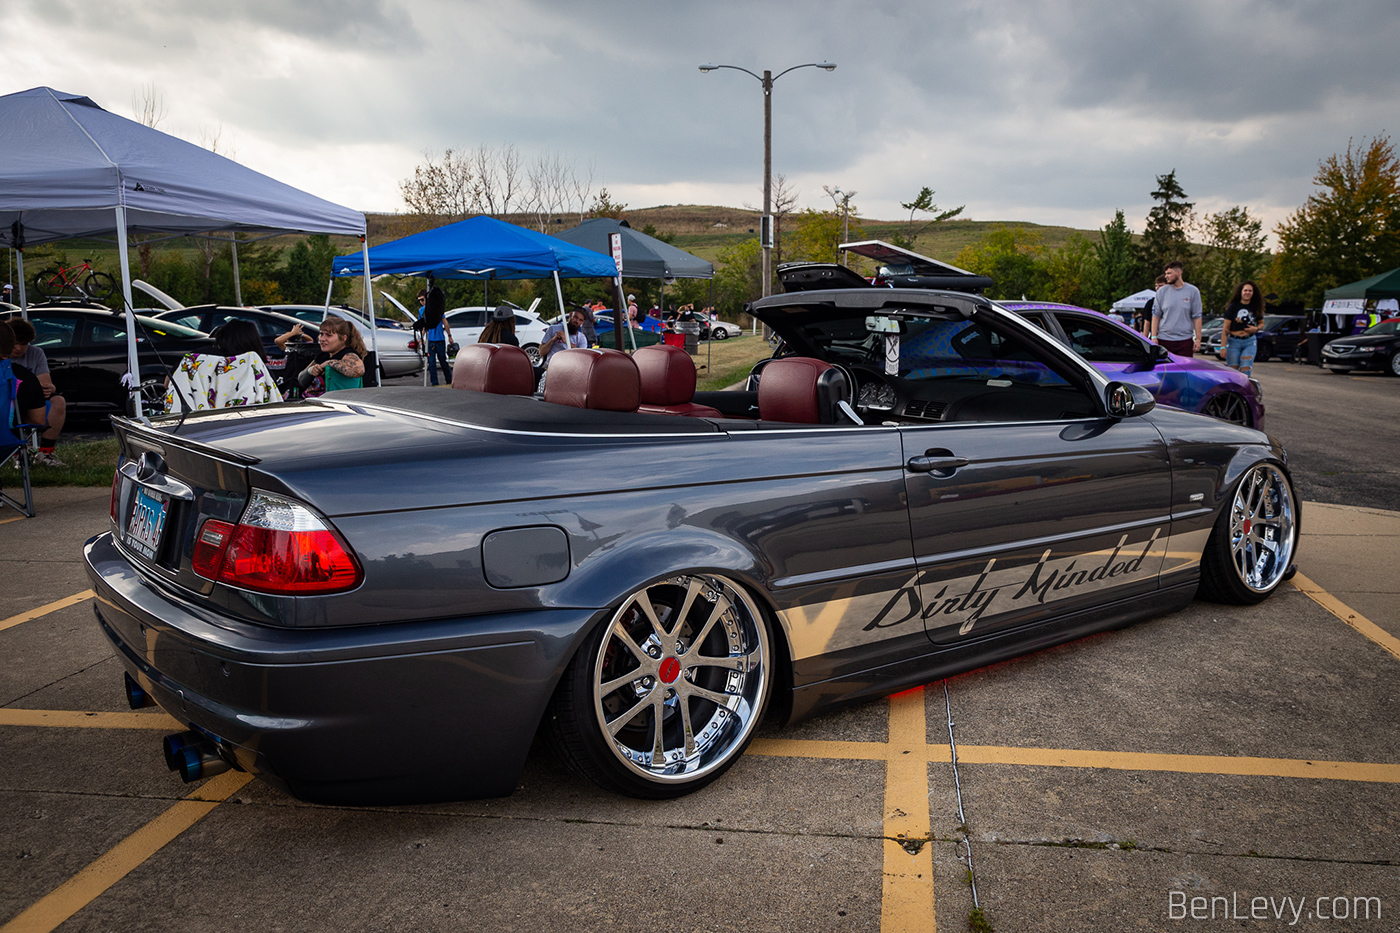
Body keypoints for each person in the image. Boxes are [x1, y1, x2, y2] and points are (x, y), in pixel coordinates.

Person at [164, 319, 282, 413]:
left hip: (200, 422)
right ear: (254, 341)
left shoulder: (198, 357)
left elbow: (168, 383)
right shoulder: (255, 364)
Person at [6, 317, 67, 466]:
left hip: (31, 404)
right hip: (8, 403)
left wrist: (50, 388)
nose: (19, 349)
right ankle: (16, 452)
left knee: (58, 401)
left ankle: (46, 452)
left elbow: (45, 384)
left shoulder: (36, 353)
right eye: (15, 344)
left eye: (24, 344)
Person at [299, 316, 367, 397]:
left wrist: (329, 363)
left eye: (328, 335)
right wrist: (310, 371)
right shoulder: (324, 354)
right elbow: (300, 379)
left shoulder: (349, 355)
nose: (322, 339)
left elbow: (358, 371)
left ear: (343, 338)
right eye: (321, 334)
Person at [1150, 262, 1203, 356]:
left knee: (1184, 369)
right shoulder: (1162, 292)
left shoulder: (1193, 291)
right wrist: (1154, 336)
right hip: (1164, 339)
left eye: (1169, 273)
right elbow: (1156, 315)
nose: (1166, 276)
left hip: (1185, 340)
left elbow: (1197, 316)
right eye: (1165, 273)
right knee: (1165, 369)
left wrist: (1198, 339)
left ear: (1179, 272)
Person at [1222, 281, 1263, 375]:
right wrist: (1223, 347)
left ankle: (1245, 388)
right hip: (1233, 342)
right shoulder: (1233, 307)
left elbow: (1261, 323)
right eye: (1245, 290)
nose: (1247, 293)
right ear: (1240, 292)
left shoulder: (1256, 307)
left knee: (1245, 368)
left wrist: (1256, 329)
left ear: (1253, 293)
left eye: (1250, 291)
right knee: (1233, 370)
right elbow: (1225, 328)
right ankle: (1234, 389)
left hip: (1249, 341)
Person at [417, 288, 453, 386]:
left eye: (422, 300)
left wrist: (449, 336)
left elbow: (445, 322)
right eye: (419, 300)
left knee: (443, 361)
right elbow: (423, 325)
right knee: (431, 363)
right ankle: (434, 383)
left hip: (440, 339)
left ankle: (449, 380)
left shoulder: (435, 307)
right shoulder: (421, 311)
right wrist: (422, 337)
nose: (421, 302)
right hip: (430, 340)